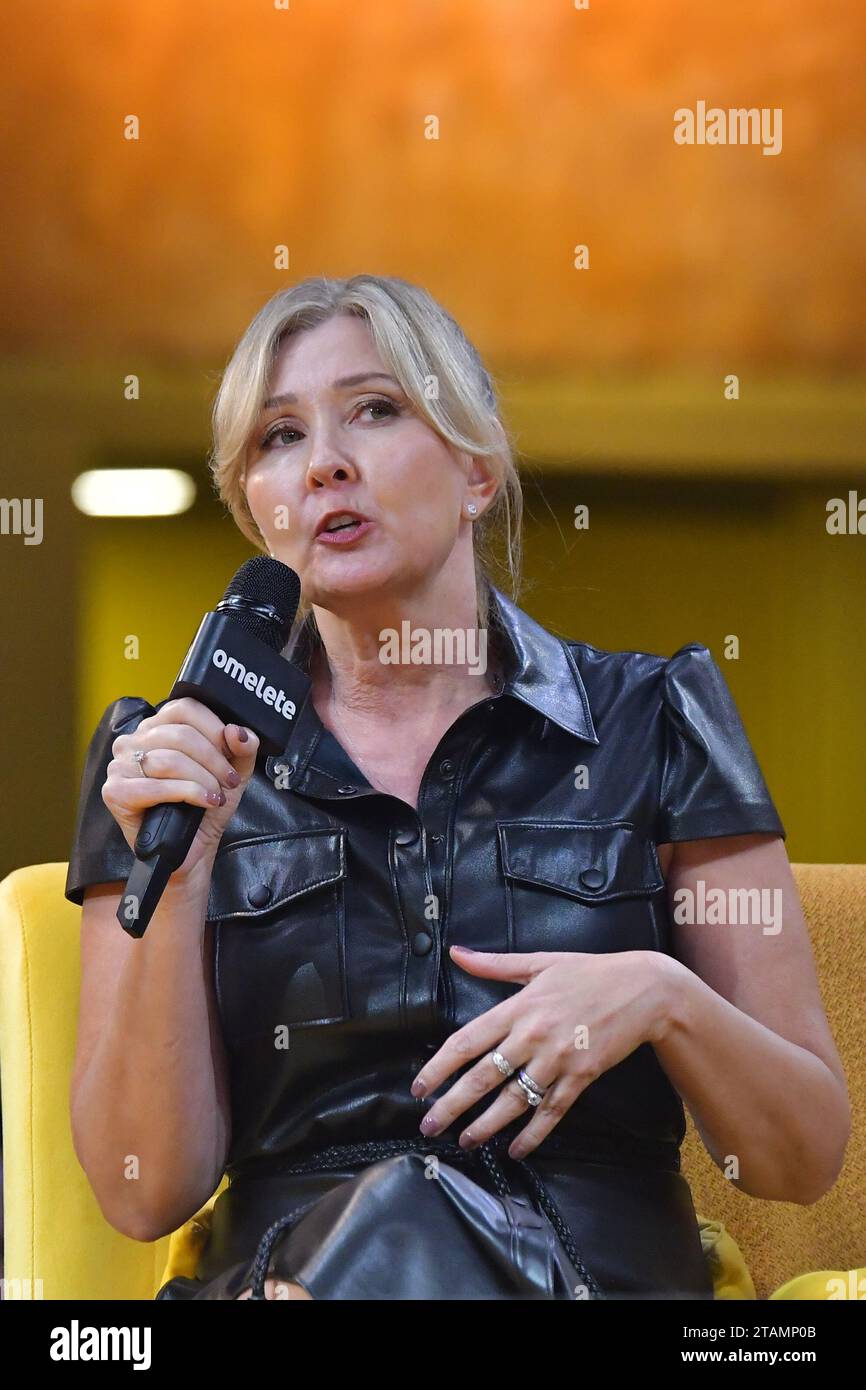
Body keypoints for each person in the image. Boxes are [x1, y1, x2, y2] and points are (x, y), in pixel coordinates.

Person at [64, 274, 851, 1300]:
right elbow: (142, 1190)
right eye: (277, 438)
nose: (324, 464)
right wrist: (179, 871)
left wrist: (659, 998)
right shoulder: (166, 759)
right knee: (392, 1218)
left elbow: (795, 1159)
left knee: (414, 1217)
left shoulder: (651, 720)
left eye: (375, 410)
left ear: (476, 468)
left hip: (589, 1279)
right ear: (256, 509)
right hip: (282, 1279)